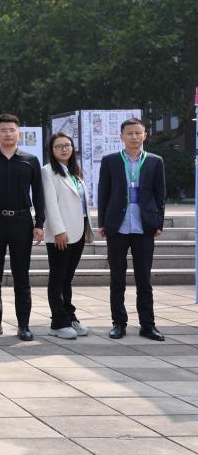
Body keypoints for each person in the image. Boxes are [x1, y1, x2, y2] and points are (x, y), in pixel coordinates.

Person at [97, 117, 166, 341]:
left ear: (145, 135)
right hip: (117, 226)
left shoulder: (155, 161)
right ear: (121, 136)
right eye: (129, 133)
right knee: (117, 278)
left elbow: (160, 194)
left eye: (138, 133)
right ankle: (119, 323)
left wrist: (159, 222)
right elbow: (103, 193)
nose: (134, 137)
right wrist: (102, 222)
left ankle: (148, 325)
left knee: (144, 279)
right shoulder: (110, 161)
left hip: (144, 226)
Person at [0, 113, 45, 341]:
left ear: (19, 133)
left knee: (21, 276)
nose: (8, 134)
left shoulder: (30, 160)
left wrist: (39, 223)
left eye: (12, 130)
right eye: (3, 130)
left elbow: (39, 193)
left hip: (22, 221)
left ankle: (23, 325)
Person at [42, 132, 93, 340]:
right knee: (58, 278)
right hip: (61, 234)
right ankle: (58, 323)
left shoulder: (74, 171)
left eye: (67, 145)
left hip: (78, 232)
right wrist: (58, 231)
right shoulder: (48, 171)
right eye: (58, 146)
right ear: (51, 150)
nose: (64, 149)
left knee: (67, 278)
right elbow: (50, 204)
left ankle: (70, 317)